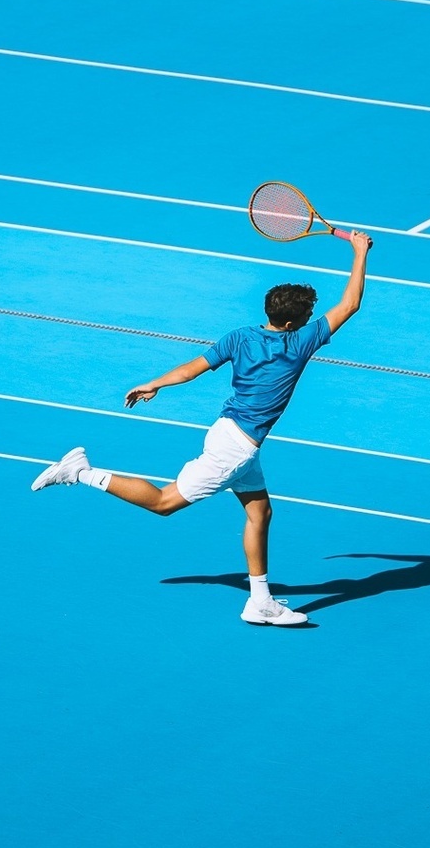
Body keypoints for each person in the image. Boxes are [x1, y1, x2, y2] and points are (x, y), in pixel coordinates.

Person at [30, 231, 373, 626]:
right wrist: (359, 251)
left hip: (228, 432)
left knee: (260, 512)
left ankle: (259, 600)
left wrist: (155, 382)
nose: (312, 319)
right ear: (294, 322)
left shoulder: (241, 336)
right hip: (236, 449)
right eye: (307, 315)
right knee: (164, 503)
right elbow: (351, 303)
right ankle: (82, 471)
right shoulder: (300, 343)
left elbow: (194, 368)